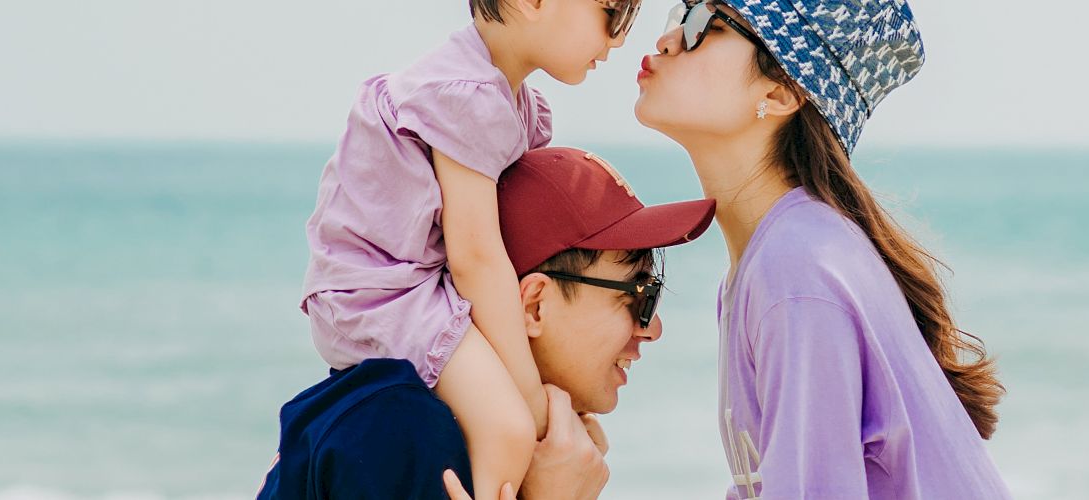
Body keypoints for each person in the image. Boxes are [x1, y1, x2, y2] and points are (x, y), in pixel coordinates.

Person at [633, 1, 1012, 498]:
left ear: (781, 92)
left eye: (709, 26)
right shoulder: (779, 258)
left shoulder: (797, 270)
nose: (668, 40)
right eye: (678, 17)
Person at [297, 0, 645, 495]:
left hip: (411, 284)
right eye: (613, 14)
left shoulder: (497, 93)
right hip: (383, 293)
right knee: (509, 429)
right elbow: (477, 259)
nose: (619, 39)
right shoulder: (469, 95)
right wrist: (535, 407)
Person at [261, 147, 717, 499]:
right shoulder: (401, 430)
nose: (652, 328)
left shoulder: (434, 421)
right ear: (535, 304)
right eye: (639, 295)